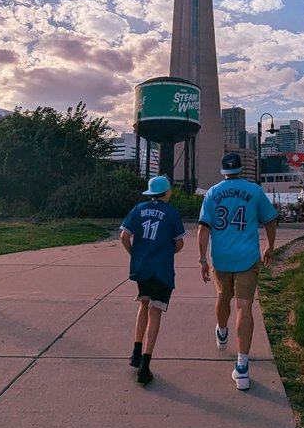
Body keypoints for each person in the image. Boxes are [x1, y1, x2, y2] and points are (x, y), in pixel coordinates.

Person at [198, 152, 279, 391]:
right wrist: (270, 247)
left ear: (223, 171)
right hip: (247, 258)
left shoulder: (212, 192)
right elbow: (270, 220)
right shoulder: (254, 191)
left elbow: (203, 229)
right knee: (244, 306)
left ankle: (222, 330)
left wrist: (202, 258)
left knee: (222, 297)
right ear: (241, 169)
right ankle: (242, 366)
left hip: (220, 258)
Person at [119, 175, 185, 385]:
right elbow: (180, 243)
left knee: (143, 303)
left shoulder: (138, 209)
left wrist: (135, 254)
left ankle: (135, 352)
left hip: (142, 268)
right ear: (166, 193)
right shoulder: (171, 213)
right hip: (161, 270)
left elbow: (124, 236)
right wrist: (166, 252)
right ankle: (145, 365)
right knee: (155, 311)